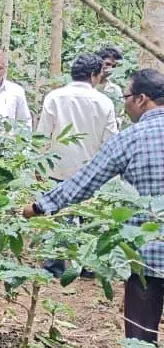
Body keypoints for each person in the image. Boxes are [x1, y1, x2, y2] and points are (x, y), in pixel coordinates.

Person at [21, 69, 164, 343]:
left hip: (144, 259)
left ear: (142, 99)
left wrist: (39, 207)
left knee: (140, 336)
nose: (124, 103)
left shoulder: (130, 138)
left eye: (127, 96)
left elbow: (84, 183)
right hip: (144, 256)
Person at [33, 53, 118, 278]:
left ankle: (55, 266)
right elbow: (110, 141)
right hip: (92, 171)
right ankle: (89, 265)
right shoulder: (104, 102)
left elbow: (43, 134)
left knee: (58, 217)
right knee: (91, 217)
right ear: (93, 76)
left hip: (57, 167)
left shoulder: (54, 97)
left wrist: (38, 166)